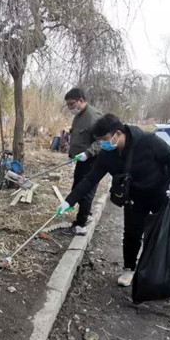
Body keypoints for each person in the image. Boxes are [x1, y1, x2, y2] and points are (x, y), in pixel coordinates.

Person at [56, 114, 170, 287]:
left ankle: (164, 270)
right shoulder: (108, 155)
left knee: (161, 233)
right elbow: (90, 180)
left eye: (105, 139)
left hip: (160, 193)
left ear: (118, 133)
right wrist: (68, 202)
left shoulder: (148, 141)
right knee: (132, 233)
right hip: (133, 196)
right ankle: (129, 268)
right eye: (100, 141)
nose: (103, 144)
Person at [65, 88, 103, 235]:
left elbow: (101, 141)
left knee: (86, 191)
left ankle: (81, 224)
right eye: (68, 105)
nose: (70, 108)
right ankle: (85, 213)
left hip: (92, 161)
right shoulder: (79, 116)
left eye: (72, 104)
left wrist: (88, 154)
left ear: (81, 100)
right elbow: (75, 136)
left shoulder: (94, 116)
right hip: (81, 160)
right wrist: (70, 155)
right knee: (77, 188)